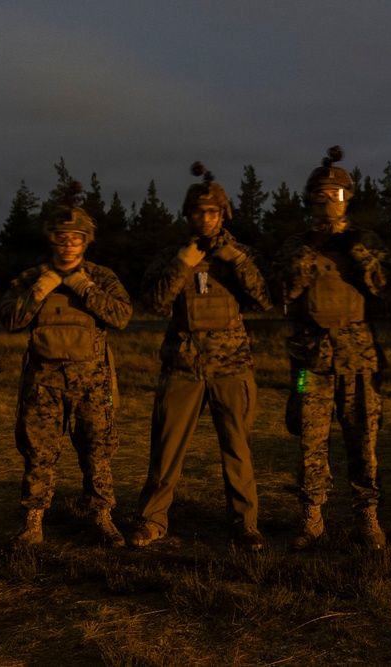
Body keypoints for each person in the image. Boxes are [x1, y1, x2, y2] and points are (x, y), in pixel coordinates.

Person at [126, 163, 272, 552]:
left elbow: (265, 300)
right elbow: (153, 305)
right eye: (198, 212)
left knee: (238, 451)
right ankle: (152, 521)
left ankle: (245, 526)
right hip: (182, 367)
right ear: (187, 215)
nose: (205, 219)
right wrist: (182, 265)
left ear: (224, 214)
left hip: (232, 367)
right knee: (166, 451)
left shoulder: (243, 255)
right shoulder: (172, 256)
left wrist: (238, 262)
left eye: (212, 212)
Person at [275, 146, 391, 551]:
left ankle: (367, 517)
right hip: (311, 361)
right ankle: (312, 518)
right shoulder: (297, 244)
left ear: (349, 198)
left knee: (363, 444)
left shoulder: (367, 240)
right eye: (321, 195)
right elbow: (285, 290)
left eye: (337, 195)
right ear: (310, 199)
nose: (329, 201)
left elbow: (385, 286)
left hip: (358, 360)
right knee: (311, 443)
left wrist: (355, 249)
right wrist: (311, 250)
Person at [0, 182, 132, 549]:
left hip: (93, 385)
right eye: (62, 236)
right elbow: (9, 319)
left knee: (98, 454)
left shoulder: (101, 277)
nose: (68, 243)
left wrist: (84, 286)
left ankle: (102, 518)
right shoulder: (32, 277)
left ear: (86, 240)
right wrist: (40, 290)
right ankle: (33, 522)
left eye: (76, 237)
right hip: (42, 386)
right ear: (52, 238)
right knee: (38, 455)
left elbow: (121, 316)